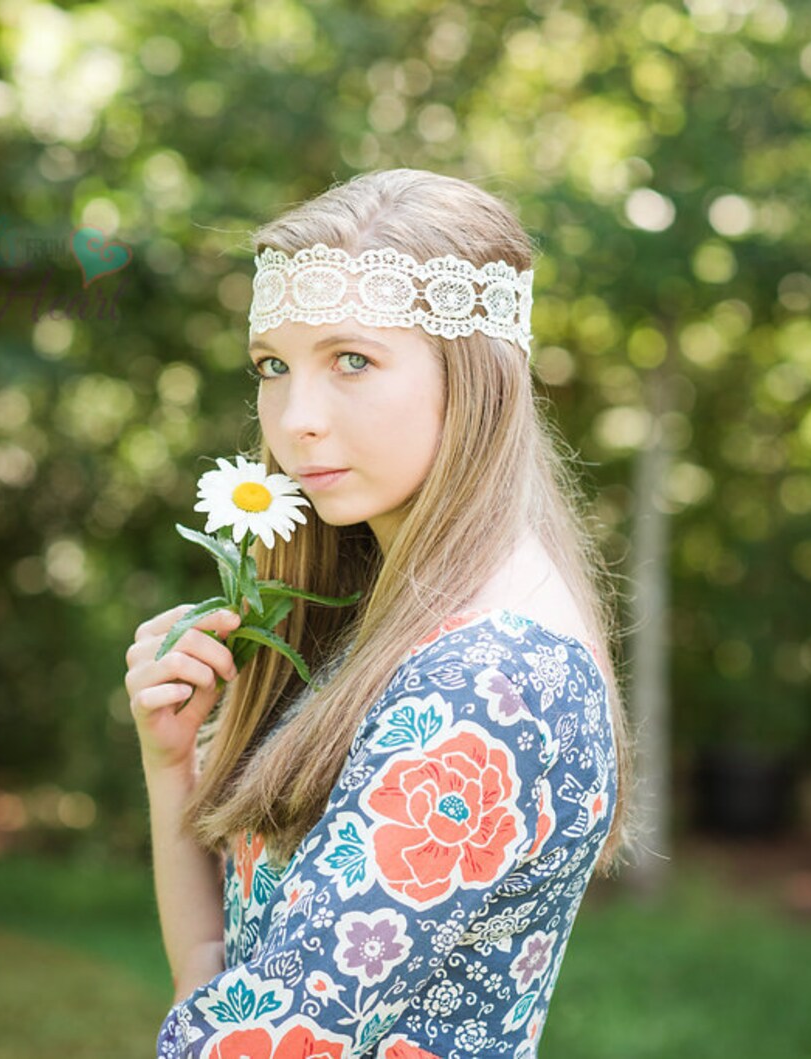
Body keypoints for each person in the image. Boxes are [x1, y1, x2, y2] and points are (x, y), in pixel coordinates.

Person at [124, 168, 637, 1059]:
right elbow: (211, 979)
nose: (297, 419)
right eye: (273, 366)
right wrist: (172, 762)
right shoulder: (387, 621)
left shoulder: (491, 676)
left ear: (472, 376)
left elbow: (257, 1043)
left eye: (351, 360)